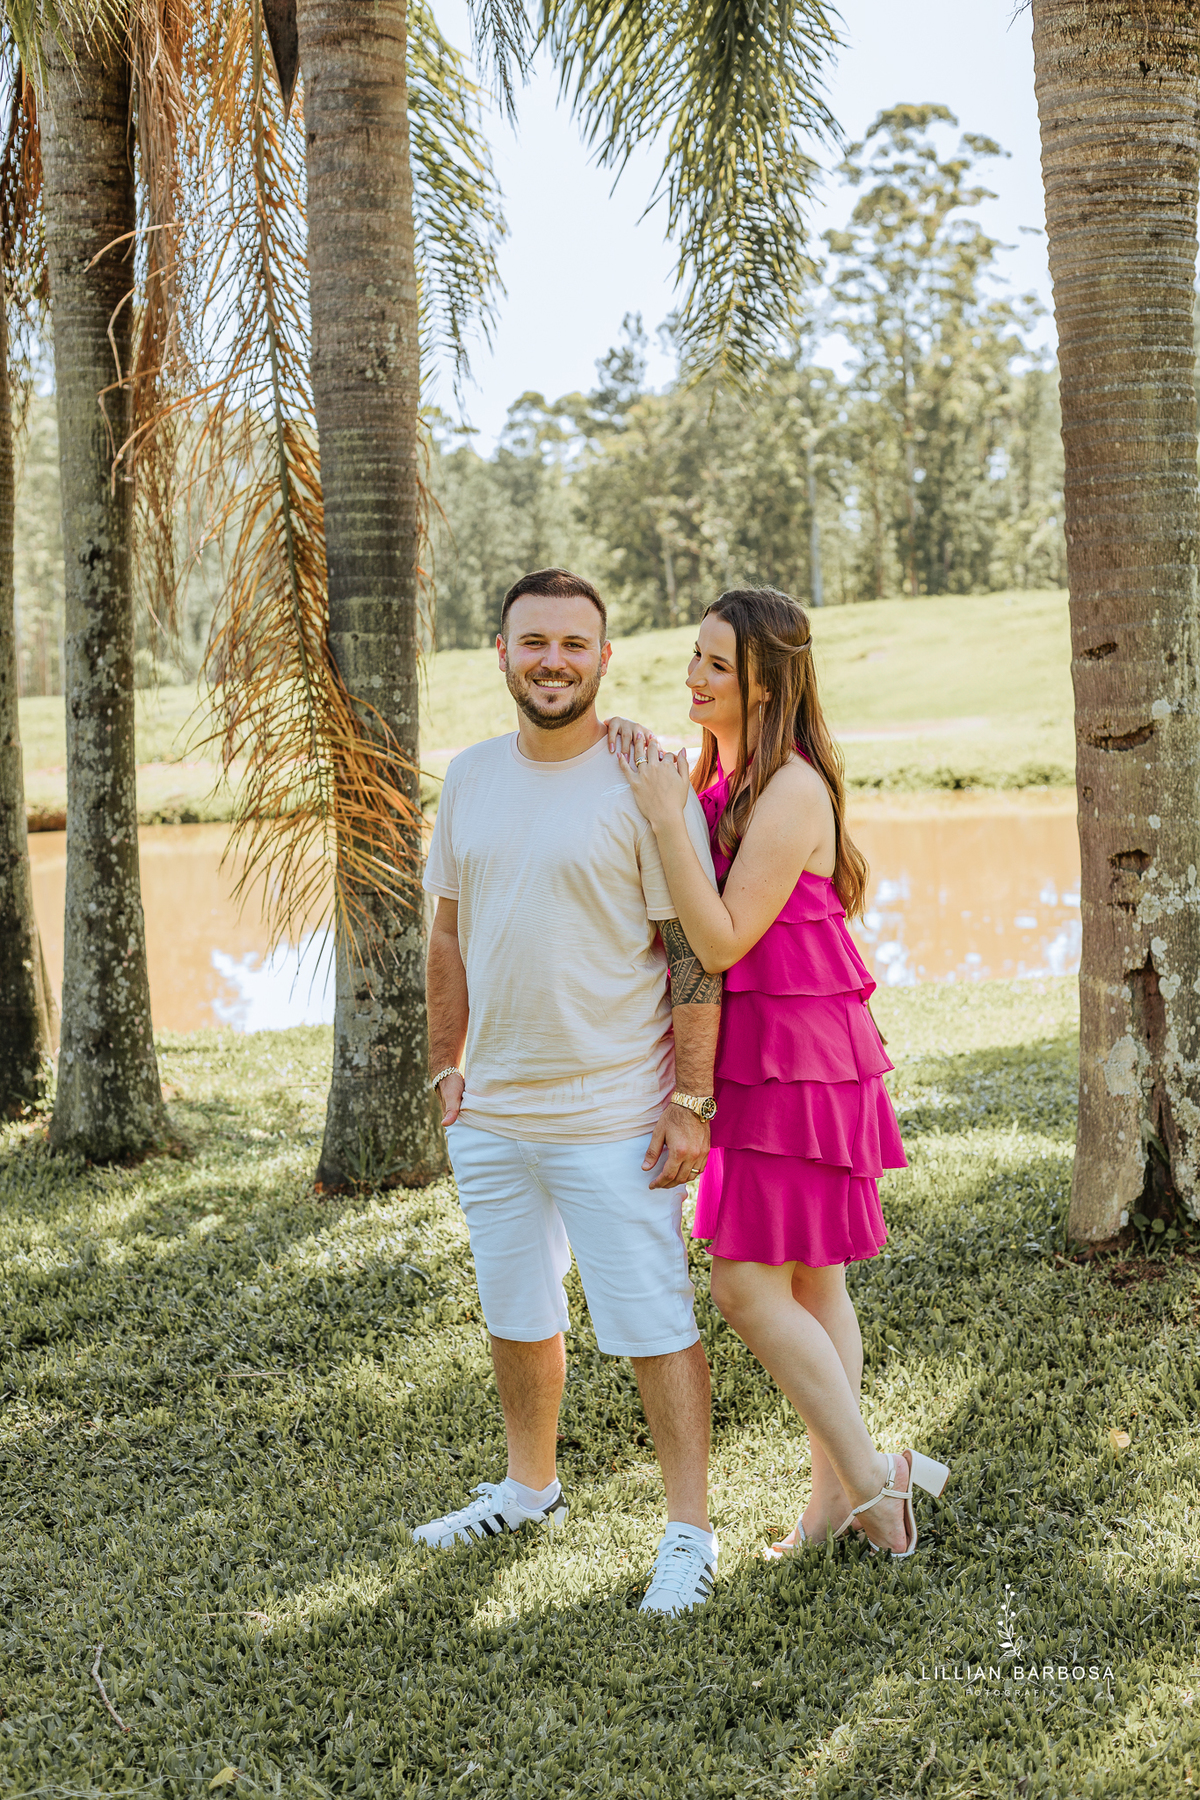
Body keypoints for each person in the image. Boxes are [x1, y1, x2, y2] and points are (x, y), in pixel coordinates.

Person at [610, 587, 949, 1558]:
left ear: (766, 683)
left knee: (744, 1288)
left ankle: (877, 1489)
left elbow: (716, 937)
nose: (695, 676)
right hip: (774, 1052)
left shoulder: (792, 788)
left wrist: (668, 815)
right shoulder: (727, 774)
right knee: (811, 1283)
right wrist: (667, 786)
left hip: (798, 1061)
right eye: (694, 656)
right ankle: (828, 1508)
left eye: (717, 663)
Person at [416, 567, 725, 1615]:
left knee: (652, 1323)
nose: (552, 660)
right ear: (500, 653)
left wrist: (691, 1101)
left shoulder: (641, 782)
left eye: (573, 644)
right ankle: (528, 1487)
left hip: (615, 1118)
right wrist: (444, 1066)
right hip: (494, 1114)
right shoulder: (467, 777)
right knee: (514, 1308)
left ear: (603, 659)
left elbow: (690, 953)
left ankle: (689, 1533)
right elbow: (448, 934)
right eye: (532, 642)